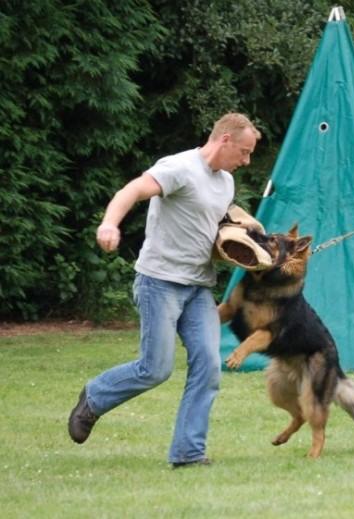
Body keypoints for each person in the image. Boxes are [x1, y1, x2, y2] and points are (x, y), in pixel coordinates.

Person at [68, 113, 261, 467]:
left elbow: (215, 224)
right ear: (225, 140)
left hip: (198, 287)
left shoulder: (226, 183)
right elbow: (132, 190)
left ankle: (188, 453)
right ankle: (95, 396)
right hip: (160, 282)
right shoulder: (179, 168)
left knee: (209, 366)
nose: (246, 161)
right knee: (155, 369)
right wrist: (109, 224)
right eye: (244, 151)